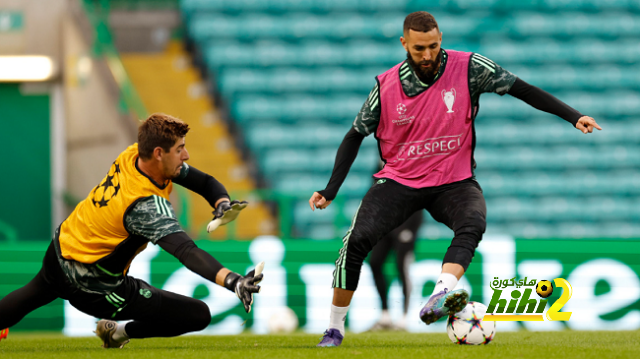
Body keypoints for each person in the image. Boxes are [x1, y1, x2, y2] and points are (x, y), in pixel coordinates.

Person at [309, 11, 601, 347]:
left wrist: (573, 116)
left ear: (441, 38)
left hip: (454, 180)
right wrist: (331, 189)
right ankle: (334, 328)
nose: (427, 55)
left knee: (473, 222)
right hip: (400, 181)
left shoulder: (470, 67)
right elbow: (354, 135)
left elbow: (523, 89)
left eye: (433, 46)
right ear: (404, 43)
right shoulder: (386, 85)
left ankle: (440, 294)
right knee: (355, 242)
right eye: (419, 48)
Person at [0, 113, 262, 348]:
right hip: (94, 288)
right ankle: (118, 333)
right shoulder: (145, 205)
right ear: (159, 152)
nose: (186, 155)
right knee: (197, 315)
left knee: (29, 296)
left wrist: (221, 204)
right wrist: (233, 281)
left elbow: (205, 182)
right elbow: (185, 250)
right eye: (180, 149)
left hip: (61, 248)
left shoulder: (135, 155)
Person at [368, 210, 422, 331]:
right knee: (375, 263)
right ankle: (385, 315)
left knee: (402, 268)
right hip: (385, 228)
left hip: (405, 227)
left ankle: (404, 317)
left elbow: (420, 201)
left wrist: (412, 229)